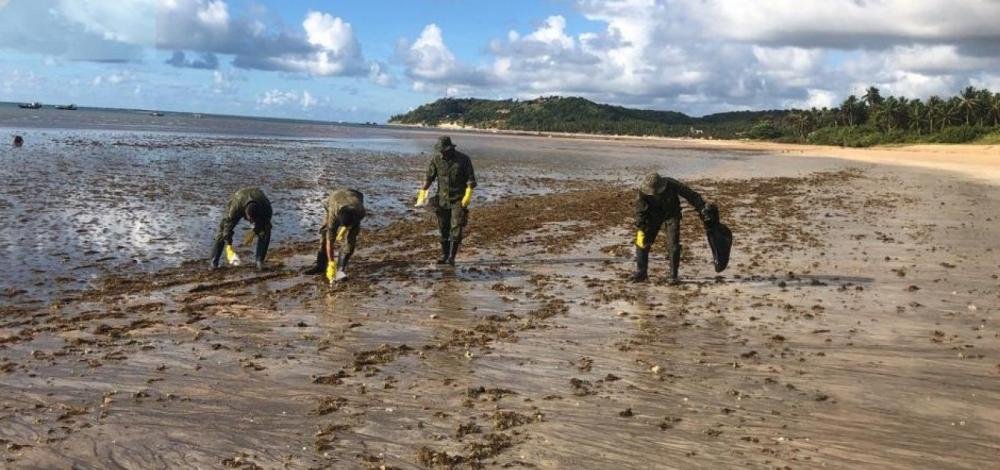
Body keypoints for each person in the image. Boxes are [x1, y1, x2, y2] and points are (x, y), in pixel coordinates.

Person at [631, 172, 706, 283]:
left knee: (673, 244)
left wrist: (701, 207)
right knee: (640, 240)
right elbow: (639, 211)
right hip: (652, 216)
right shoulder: (642, 191)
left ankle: (673, 275)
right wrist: (640, 225)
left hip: (671, 214)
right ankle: (641, 272)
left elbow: (690, 194)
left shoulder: (671, 183)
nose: (654, 193)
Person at [415, 136, 477, 265]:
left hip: (458, 200)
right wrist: (422, 193)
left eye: (443, 151)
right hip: (442, 200)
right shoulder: (436, 159)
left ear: (449, 148)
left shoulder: (463, 159)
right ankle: (444, 255)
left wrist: (468, 195)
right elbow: (429, 178)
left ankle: (451, 257)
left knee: (456, 227)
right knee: (443, 228)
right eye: (440, 151)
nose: (442, 153)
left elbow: (471, 181)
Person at [303, 188, 366, 281]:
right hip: (334, 200)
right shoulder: (334, 214)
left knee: (350, 241)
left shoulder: (360, 212)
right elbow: (330, 241)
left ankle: (340, 271)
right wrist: (331, 262)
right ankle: (320, 266)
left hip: (354, 197)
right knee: (325, 233)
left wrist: (346, 229)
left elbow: (353, 229)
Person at [210, 187, 273, 270]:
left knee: (266, 230)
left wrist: (254, 231)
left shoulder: (266, 208)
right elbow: (227, 226)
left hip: (259, 199)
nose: (250, 222)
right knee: (222, 230)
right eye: (249, 219)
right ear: (245, 214)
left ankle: (259, 261)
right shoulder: (236, 207)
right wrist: (228, 246)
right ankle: (214, 262)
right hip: (240, 199)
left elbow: (265, 222)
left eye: (253, 220)